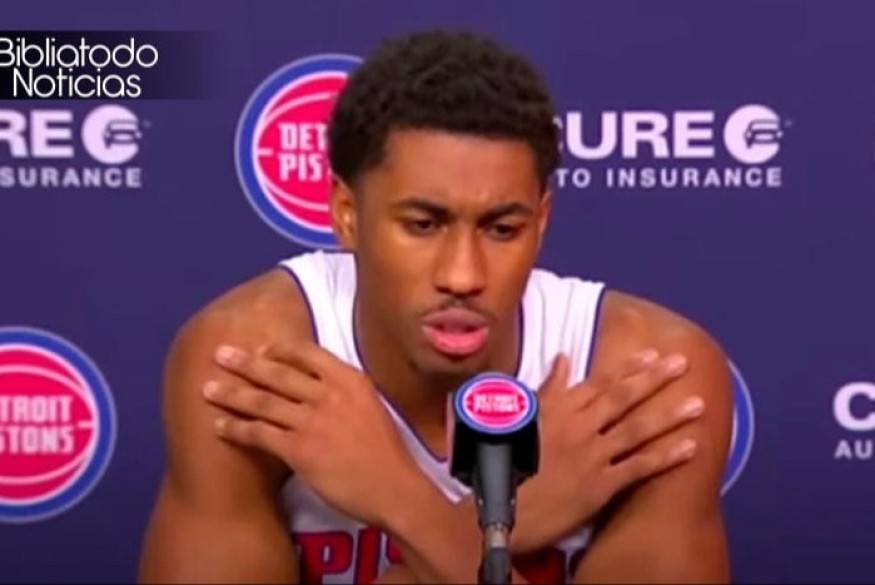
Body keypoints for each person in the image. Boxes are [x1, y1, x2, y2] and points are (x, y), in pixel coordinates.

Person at [138, 29, 734, 584]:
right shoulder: (257, 364)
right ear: (347, 214)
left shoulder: (643, 379)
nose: (463, 276)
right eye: (423, 225)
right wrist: (502, 523)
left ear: (542, 220)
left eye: (502, 229)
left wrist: (397, 497)